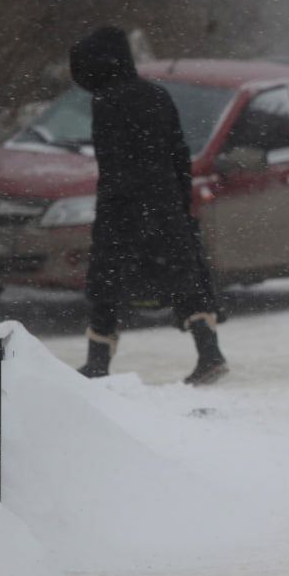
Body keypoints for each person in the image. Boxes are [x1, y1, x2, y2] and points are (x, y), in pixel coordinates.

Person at [70, 26, 229, 386]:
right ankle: (209, 352)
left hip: (123, 207)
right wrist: (180, 201)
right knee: (185, 277)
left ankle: (97, 363)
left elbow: (112, 163)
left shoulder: (105, 102)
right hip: (165, 202)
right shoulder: (157, 95)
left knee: (107, 283)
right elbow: (179, 153)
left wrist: (112, 207)